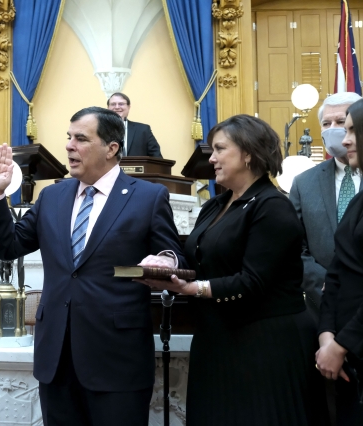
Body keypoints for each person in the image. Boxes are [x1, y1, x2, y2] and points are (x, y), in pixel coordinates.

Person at [0, 106, 184, 425]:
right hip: (56, 360)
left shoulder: (148, 196)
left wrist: (165, 260)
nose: (70, 146)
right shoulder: (52, 197)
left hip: (117, 360)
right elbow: (9, 246)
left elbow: (174, 255)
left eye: (81, 139)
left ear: (112, 148)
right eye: (69, 137)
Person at [144, 114, 327, 425]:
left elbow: (253, 281)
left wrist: (193, 288)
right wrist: (169, 265)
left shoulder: (272, 206)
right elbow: (199, 259)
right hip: (218, 339)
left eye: (219, 149)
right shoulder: (215, 205)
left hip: (265, 346)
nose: (211, 158)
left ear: (248, 153)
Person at [289, 92, 362, 316]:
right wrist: (325, 283)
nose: (333, 129)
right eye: (326, 123)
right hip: (320, 306)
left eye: (341, 123)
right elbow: (293, 246)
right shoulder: (303, 183)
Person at [316, 98, 363, 425]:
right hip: (347, 357)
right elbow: (337, 274)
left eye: (351, 131)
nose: (344, 140)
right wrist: (327, 335)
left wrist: (342, 343)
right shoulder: (358, 201)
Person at [106, 92, 162, 158]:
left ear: (128, 107)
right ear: (108, 108)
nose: (117, 107)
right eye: (113, 104)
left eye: (121, 104)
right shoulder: (99, 129)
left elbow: (157, 157)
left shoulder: (143, 130)